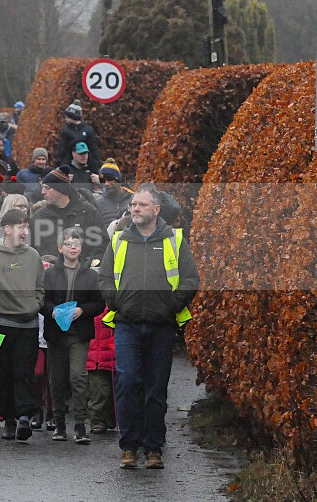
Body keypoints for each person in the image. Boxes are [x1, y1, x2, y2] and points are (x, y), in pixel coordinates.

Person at [98, 184, 200, 469]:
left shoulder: (175, 240)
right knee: (128, 382)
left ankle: (153, 447)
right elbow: (104, 278)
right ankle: (129, 446)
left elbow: (191, 279)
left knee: (156, 388)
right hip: (127, 324)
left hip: (161, 326)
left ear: (156, 210)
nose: (135, 209)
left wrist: (171, 305)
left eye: (142, 205)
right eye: (133, 205)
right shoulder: (119, 240)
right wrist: (117, 301)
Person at [0, 209, 45, 441]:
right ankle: (9, 419)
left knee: (24, 372)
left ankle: (24, 417)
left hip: (28, 323)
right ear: (7, 229)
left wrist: (35, 304)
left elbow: (40, 287)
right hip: (1, 323)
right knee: (3, 373)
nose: (25, 231)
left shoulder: (33, 255)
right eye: (20, 226)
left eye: (27, 226)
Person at [41, 228, 105, 444]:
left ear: (81, 247)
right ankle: (59, 424)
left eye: (76, 244)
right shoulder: (50, 274)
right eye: (68, 244)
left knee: (78, 377)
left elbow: (99, 303)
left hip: (79, 333)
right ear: (60, 248)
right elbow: (41, 299)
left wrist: (82, 311)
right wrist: (52, 311)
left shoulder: (90, 275)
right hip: (56, 333)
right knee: (57, 380)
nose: (73, 247)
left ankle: (80, 424)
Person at [30, 167, 106, 259]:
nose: (43, 192)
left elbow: (102, 244)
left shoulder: (88, 212)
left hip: (83, 266)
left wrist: (91, 262)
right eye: (43, 188)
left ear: (61, 189)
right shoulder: (38, 217)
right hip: (49, 267)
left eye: (47, 188)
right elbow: (31, 249)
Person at [56, 100, 101, 172]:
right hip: (69, 164)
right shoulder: (65, 130)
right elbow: (61, 149)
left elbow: (93, 149)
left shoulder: (87, 130)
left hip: (86, 164)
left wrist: (96, 166)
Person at [96, 158, 133, 227]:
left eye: (110, 179)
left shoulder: (133, 199)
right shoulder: (98, 203)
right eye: (103, 181)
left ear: (118, 179)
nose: (106, 184)